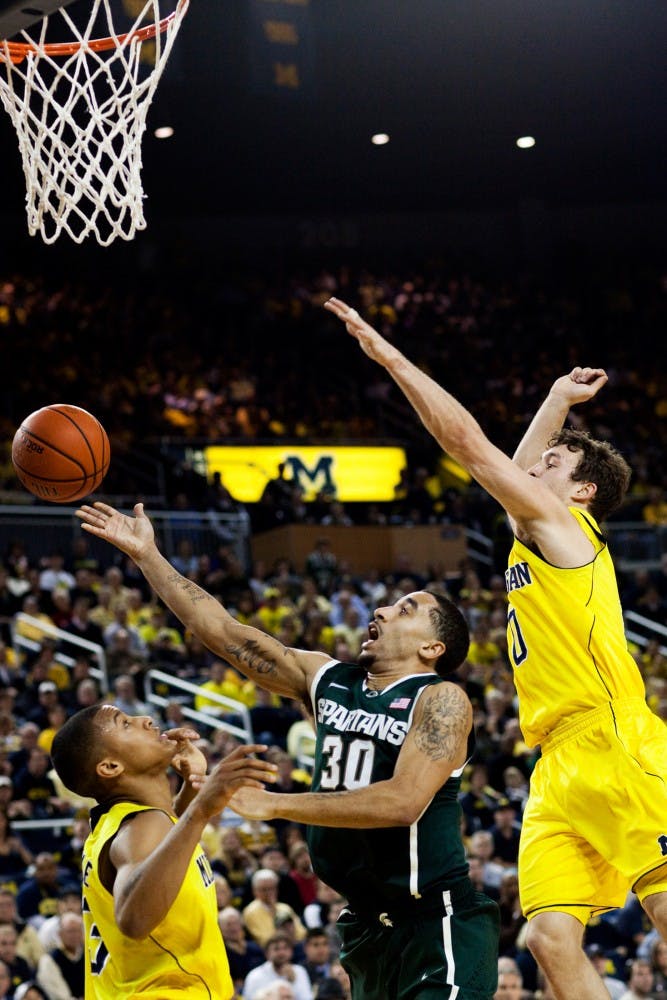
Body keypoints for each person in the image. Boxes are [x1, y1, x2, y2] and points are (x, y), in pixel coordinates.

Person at [320, 297, 667, 1000]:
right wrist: (552, 400)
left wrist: (391, 358)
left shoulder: (568, 529)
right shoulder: (536, 527)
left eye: (555, 460)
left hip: (614, 739)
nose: (535, 464)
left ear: (582, 491)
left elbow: (474, 452)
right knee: (545, 938)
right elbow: (509, 476)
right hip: (557, 760)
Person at [74, 500, 500, 999]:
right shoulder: (327, 680)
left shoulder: (441, 699)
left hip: (435, 920)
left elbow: (404, 801)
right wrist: (148, 555)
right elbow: (225, 632)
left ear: (433, 649)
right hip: (366, 928)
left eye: (406, 609)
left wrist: (276, 804)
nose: (382, 609)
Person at [48, 704, 277, 999]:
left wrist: (193, 786)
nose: (145, 720)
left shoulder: (127, 824)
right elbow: (134, 918)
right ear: (110, 767)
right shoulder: (140, 826)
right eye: (126, 724)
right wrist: (200, 808)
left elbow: (164, 856)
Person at [241, 931, 313, 1000]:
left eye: (285, 948)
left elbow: (306, 998)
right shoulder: (255, 976)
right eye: (276, 949)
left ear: (291, 951)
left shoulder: (300, 971)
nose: (281, 952)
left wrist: (292, 982)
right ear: (267, 953)